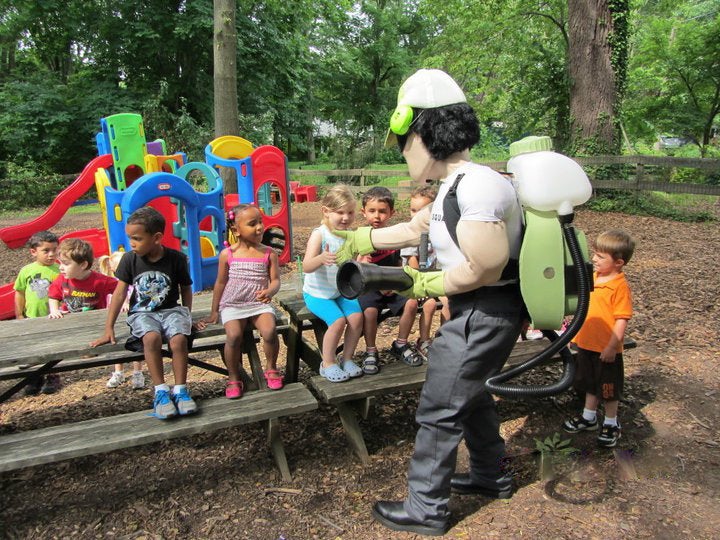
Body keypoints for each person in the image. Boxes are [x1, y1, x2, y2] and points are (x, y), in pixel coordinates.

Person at [335, 69, 524, 536]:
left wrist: (425, 286)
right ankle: (490, 473)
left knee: (440, 407)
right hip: (476, 309)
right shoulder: (456, 185)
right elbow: (421, 229)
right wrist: (365, 234)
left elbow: (485, 266)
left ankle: (426, 508)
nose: (403, 155)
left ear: (420, 133)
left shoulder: (478, 186)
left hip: (484, 308)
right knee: (471, 393)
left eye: (403, 143)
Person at [90, 206, 199, 420]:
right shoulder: (130, 259)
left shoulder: (176, 259)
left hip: (171, 310)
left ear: (156, 238)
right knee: (151, 338)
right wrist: (108, 328)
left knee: (178, 340)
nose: (132, 243)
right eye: (130, 237)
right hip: (142, 313)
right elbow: (120, 293)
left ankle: (180, 390)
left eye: (137, 238)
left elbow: (186, 287)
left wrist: (187, 315)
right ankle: (160, 391)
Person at [562, 229, 635, 448]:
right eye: (594, 254)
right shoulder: (593, 278)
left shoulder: (619, 287)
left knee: (608, 389)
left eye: (601, 256)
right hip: (586, 345)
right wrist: (574, 335)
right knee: (589, 383)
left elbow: (621, 320)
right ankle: (589, 417)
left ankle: (611, 423)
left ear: (619, 262)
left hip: (606, 350)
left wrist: (613, 347)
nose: (594, 259)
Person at [202, 204, 283, 398]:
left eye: (260, 222)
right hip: (233, 304)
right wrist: (215, 311)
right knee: (234, 336)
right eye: (252, 223)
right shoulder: (227, 254)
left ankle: (271, 367)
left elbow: (276, 280)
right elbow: (220, 283)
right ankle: (233, 377)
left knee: (270, 331)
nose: (259, 227)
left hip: (258, 304)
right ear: (236, 230)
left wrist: (270, 290)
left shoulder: (268, 253)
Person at [302, 184, 364, 383]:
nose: (346, 217)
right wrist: (320, 258)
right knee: (338, 322)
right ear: (326, 211)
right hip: (317, 294)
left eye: (350, 212)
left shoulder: (350, 234)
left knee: (356, 319)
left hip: (340, 292)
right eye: (340, 212)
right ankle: (327, 362)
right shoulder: (319, 234)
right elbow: (306, 266)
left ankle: (347, 359)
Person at [358, 186, 422, 374]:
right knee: (369, 312)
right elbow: (352, 267)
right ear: (363, 212)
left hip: (392, 285)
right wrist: (359, 261)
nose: (377, 216)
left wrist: (393, 286)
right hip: (369, 287)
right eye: (372, 211)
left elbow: (402, 264)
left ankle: (401, 343)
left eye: (382, 211)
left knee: (411, 303)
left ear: (391, 213)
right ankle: (370, 350)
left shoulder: (396, 235)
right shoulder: (360, 236)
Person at [399, 185, 450, 358]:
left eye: (421, 211)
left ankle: (445, 337)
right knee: (428, 305)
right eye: (413, 210)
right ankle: (424, 340)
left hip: (435, 279)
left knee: (450, 301)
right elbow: (412, 264)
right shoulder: (411, 234)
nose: (415, 216)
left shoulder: (439, 232)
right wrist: (420, 285)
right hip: (416, 281)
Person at [13, 230, 60, 394]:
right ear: (33, 252)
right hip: (31, 317)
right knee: (33, 348)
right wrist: (19, 314)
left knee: (52, 347)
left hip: (53, 317)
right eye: (46, 251)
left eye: (54, 249)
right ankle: (35, 378)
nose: (51, 254)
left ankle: (52, 376)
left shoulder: (59, 270)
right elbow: (19, 292)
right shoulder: (26, 271)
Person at [98, 251, 145, 390]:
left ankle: (138, 372)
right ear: (113, 268)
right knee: (117, 348)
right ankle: (118, 372)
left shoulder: (136, 283)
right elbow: (115, 298)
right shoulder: (112, 284)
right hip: (118, 323)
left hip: (134, 321)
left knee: (136, 346)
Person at [48, 239, 118, 317]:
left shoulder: (100, 281)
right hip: (69, 321)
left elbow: (120, 289)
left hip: (96, 320)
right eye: (60, 263)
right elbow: (53, 297)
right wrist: (54, 310)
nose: (60, 267)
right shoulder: (62, 280)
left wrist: (124, 303)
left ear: (83, 265)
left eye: (66, 264)